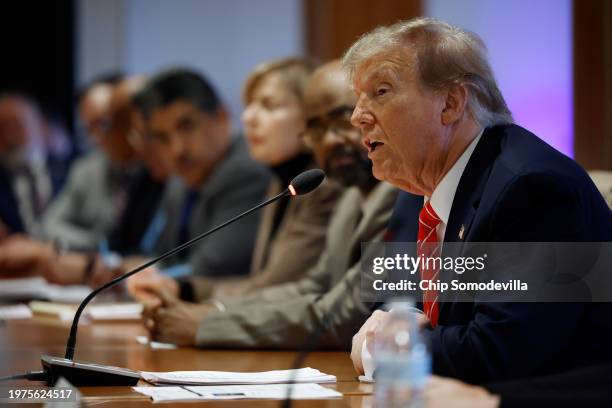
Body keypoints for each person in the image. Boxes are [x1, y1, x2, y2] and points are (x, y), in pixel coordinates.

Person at [347, 17, 612, 384]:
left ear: (451, 104)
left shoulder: (536, 188)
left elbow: (501, 351)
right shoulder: (414, 193)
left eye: (381, 92)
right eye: (357, 99)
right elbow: (383, 313)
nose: (357, 117)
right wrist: (388, 338)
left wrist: (382, 351)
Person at [143, 60, 399, 348]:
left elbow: (349, 313)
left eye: (341, 121)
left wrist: (207, 323)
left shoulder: (396, 195)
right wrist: (207, 311)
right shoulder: (349, 196)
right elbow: (313, 286)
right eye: (317, 128)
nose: (330, 139)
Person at [127, 58, 342, 303]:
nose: (248, 117)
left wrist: (199, 318)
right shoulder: (282, 181)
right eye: (249, 105)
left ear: (312, 116)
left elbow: (284, 290)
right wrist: (180, 289)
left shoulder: (324, 186)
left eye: (268, 105)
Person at [133, 68, 270, 280]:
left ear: (222, 117)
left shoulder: (246, 172)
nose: (177, 150)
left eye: (186, 127)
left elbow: (212, 268)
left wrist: (136, 278)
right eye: (162, 137)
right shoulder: (179, 181)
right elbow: (163, 258)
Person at [41, 76, 144, 250]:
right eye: (89, 129)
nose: (98, 137)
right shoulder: (86, 170)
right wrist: (101, 245)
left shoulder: (161, 170)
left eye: (104, 123)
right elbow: (49, 225)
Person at [0, 94, 59, 236]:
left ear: (38, 125)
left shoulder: (72, 168)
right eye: (1, 129)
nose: (9, 137)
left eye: (16, 125)